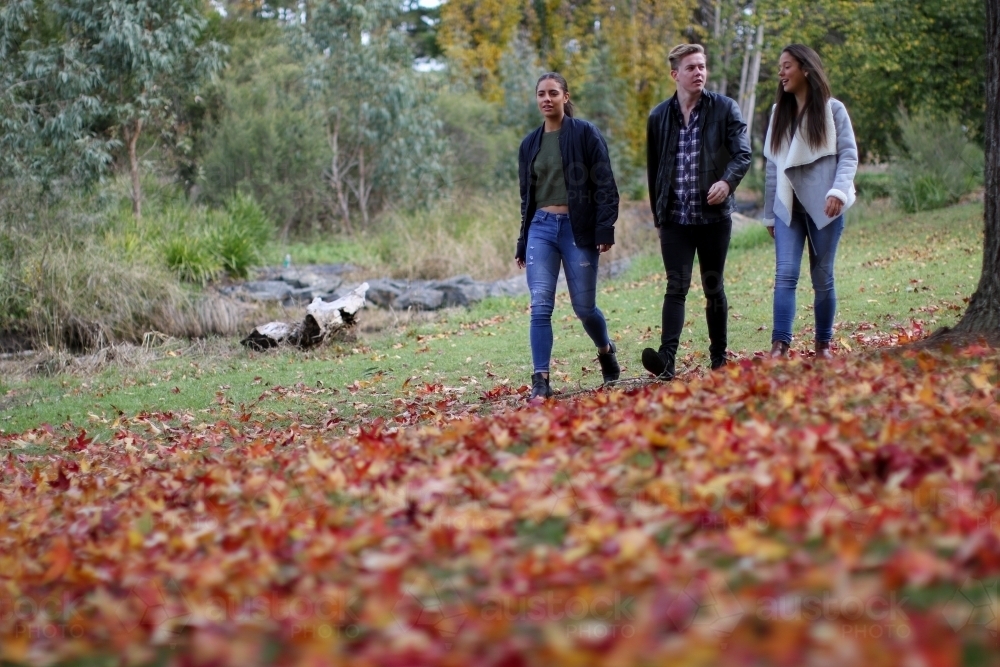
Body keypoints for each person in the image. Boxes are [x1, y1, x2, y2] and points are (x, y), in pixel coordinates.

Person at [643, 43, 751, 380]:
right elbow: (654, 170)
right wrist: (659, 216)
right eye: (691, 67)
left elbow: (743, 153)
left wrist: (727, 182)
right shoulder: (659, 117)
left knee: (712, 285)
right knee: (676, 286)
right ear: (675, 74)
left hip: (713, 219)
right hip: (675, 218)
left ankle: (718, 359)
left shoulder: (724, 108)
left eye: (702, 66)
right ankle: (667, 363)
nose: (699, 72)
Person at [515, 72, 621, 400]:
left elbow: (605, 184)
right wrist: (523, 240)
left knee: (584, 307)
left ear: (565, 96)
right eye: (541, 94)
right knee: (541, 304)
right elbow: (527, 198)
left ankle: (605, 351)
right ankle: (541, 379)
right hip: (541, 229)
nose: (546, 99)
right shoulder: (529, 144)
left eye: (553, 93)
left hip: (579, 229)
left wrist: (605, 229)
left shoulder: (585, 134)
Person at [763, 44, 858, 359]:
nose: (781, 73)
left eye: (787, 66)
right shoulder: (779, 114)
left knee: (822, 276)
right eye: (780, 67)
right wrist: (768, 214)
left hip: (825, 207)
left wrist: (838, 192)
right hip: (787, 210)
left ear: (805, 69)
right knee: (785, 273)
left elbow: (849, 156)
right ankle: (780, 345)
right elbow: (772, 167)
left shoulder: (833, 110)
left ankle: (823, 346)